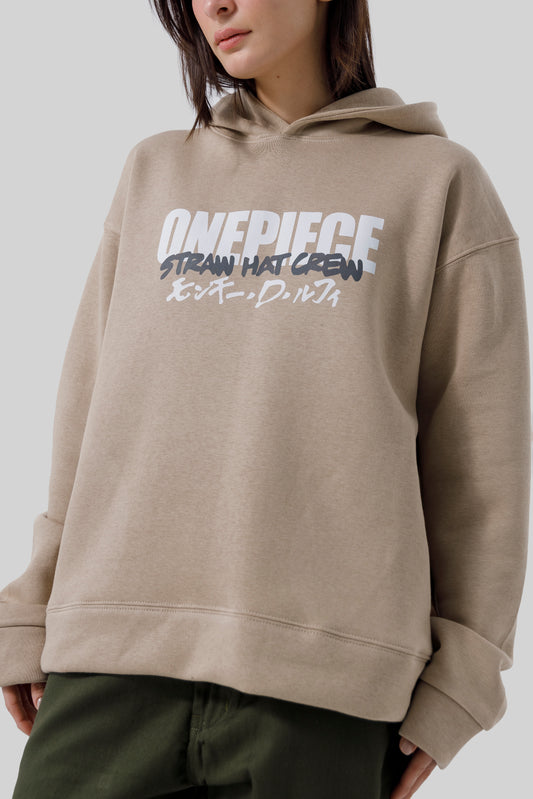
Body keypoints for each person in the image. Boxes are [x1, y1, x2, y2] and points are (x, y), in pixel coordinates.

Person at [1, 1, 530, 797]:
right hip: (110, 660)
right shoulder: (155, 171)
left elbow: (481, 466)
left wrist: (463, 675)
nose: (213, 4)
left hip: (323, 690)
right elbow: (89, 417)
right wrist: (32, 601)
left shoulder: (437, 183)